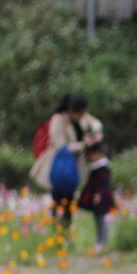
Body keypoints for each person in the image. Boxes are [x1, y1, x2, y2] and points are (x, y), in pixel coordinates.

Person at [31, 94, 103, 231]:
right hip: (58, 166)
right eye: (80, 113)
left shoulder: (82, 117)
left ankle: (65, 232)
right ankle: (55, 232)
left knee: (70, 201)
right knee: (58, 199)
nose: (83, 116)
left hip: (74, 167)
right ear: (71, 110)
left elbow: (96, 123)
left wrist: (96, 133)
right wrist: (84, 144)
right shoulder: (58, 120)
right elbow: (60, 146)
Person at [78, 141, 116, 251]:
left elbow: (104, 183)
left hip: (101, 198)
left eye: (91, 155)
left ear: (98, 153)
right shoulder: (95, 166)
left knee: (102, 221)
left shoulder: (104, 167)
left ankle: (102, 242)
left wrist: (99, 194)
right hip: (95, 198)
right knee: (98, 220)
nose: (90, 157)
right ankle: (100, 241)